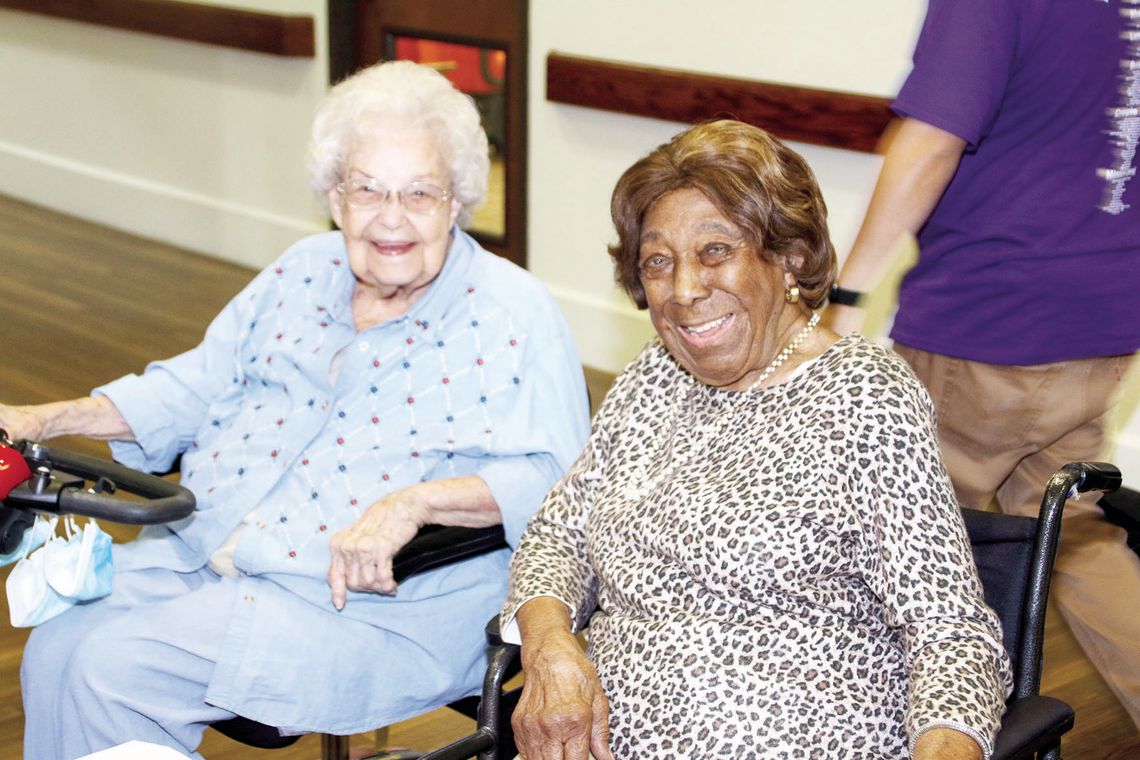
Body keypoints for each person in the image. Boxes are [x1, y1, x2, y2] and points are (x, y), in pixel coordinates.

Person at [0, 60, 590, 759]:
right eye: (367, 189)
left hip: (366, 607)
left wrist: (414, 504)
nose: (390, 218)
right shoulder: (302, 271)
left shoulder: (512, 312)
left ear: (457, 200)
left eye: (419, 193)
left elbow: (559, 479)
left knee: (114, 670)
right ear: (335, 197)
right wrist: (42, 418)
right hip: (204, 554)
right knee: (57, 647)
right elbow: (195, 384)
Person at [500, 120, 1012, 760]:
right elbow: (557, 534)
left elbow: (949, 631)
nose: (684, 290)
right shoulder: (654, 375)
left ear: (790, 256)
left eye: (716, 251)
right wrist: (550, 649)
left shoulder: (864, 397)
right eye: (659, 261)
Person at [826, 0, 1140, 730]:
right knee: (1072, 536)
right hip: (1100, 318)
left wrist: (844, 296)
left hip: (987, 324)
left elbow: (932, 139)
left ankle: (883, 732)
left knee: (896, 548)